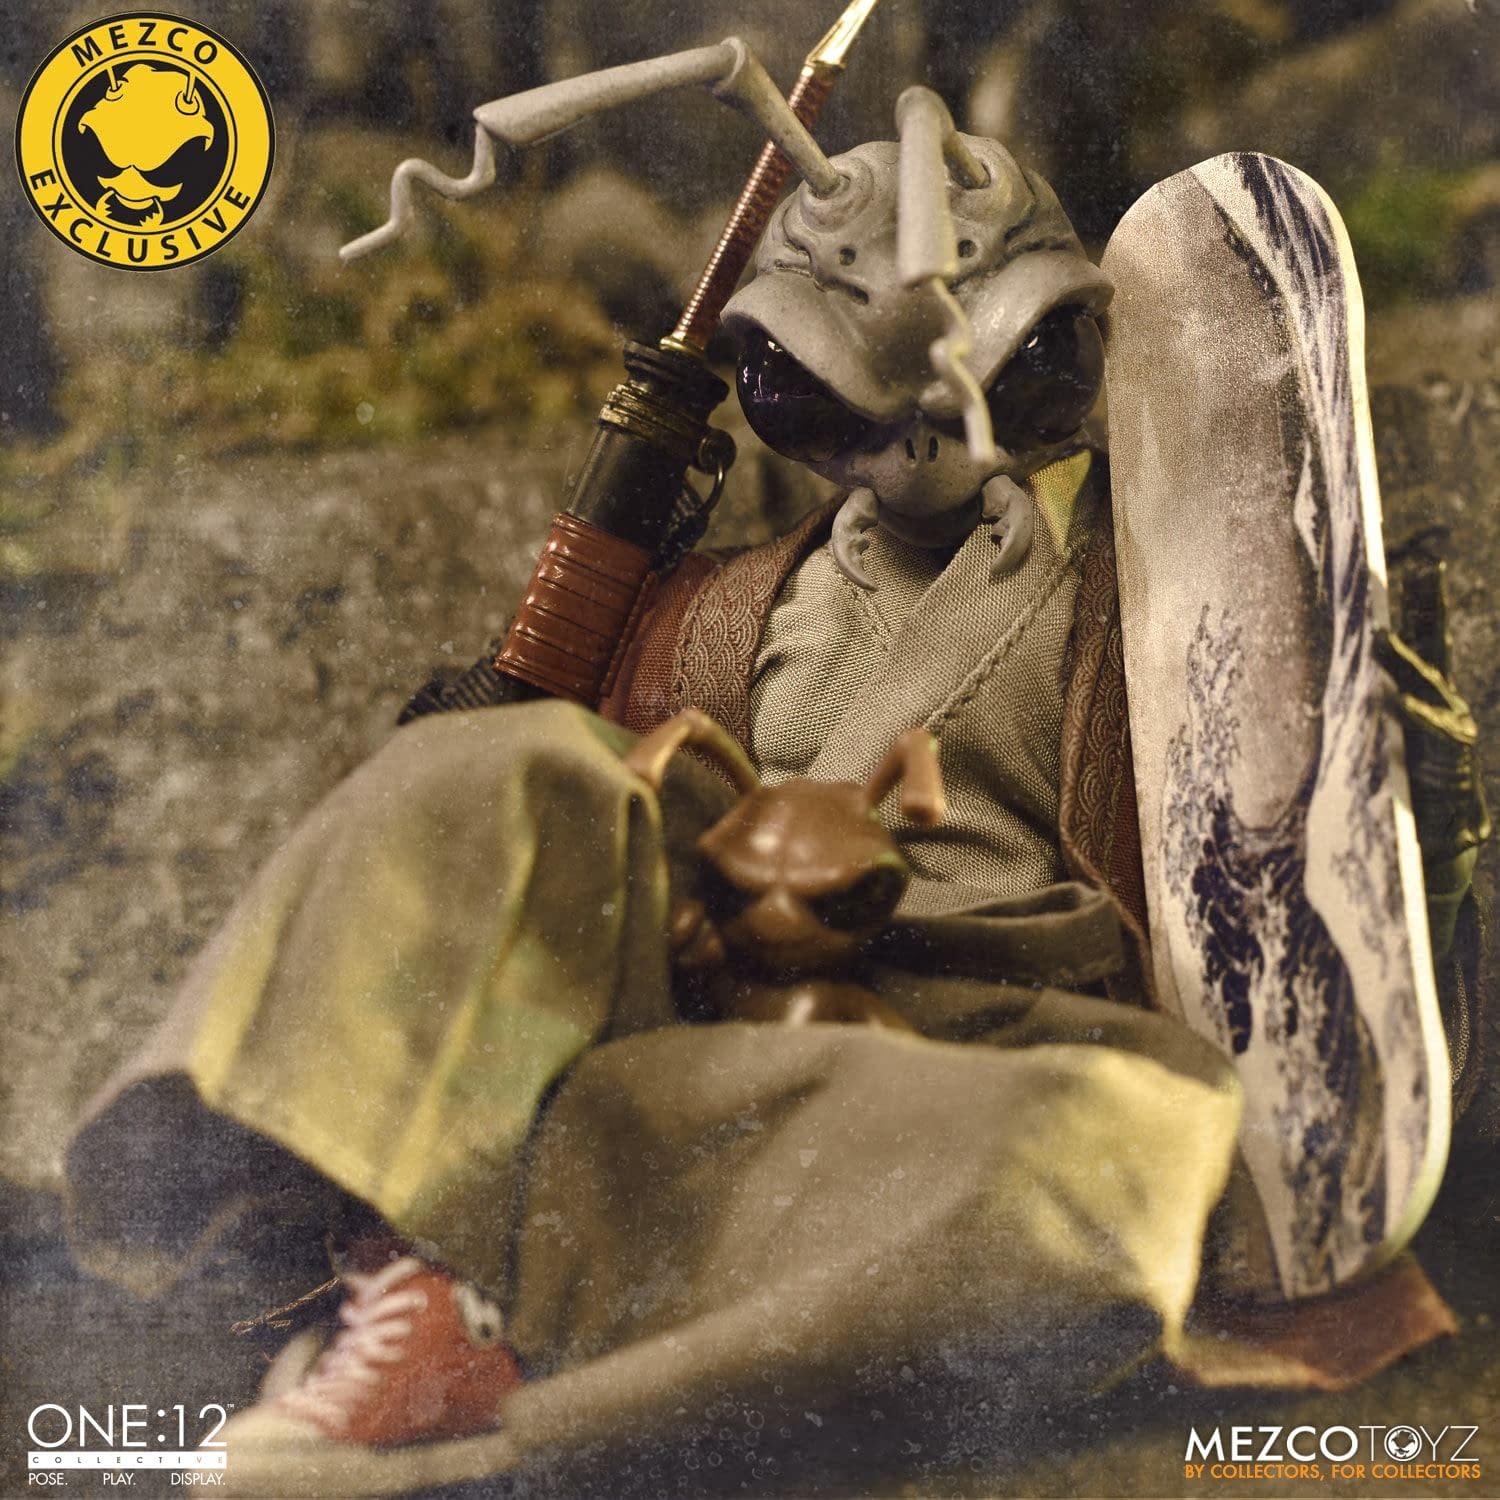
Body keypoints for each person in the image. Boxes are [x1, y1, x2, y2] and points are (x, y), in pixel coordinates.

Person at [62, 125, 1486, 1495]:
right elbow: (567, 849)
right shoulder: (717, 609)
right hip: (714, 1021)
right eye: (837, 396)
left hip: (962, 1065)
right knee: (510, 768)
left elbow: (1290, 836)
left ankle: (503, 1372)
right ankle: (406, 1277)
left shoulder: (1161, 577)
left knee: (1108, 1165)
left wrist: (1370, 724)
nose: (919, 434)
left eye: (996, 374)